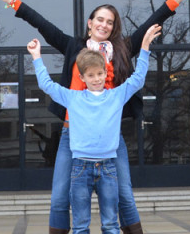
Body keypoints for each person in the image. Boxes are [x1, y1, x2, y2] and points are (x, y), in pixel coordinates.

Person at [0, 0, 190, 234]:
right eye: (99, 19)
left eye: (110, 22)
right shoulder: (72, 46)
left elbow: (148, 26)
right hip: (71, 136)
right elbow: (41, 23)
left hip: (110, 139)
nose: (104, 24)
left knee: (125, 196)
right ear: (90, 23)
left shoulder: (121, 49)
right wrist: (12, 1)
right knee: (59, 199)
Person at [26, 24, 161, 234]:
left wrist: (144, 46)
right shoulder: (73, 98)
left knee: (110, 224)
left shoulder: (116, 95)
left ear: (106, 72)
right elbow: (46, 85)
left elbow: (139, 78)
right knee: (80, 226)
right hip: (80, 168)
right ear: (82, 78)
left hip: (108, 168)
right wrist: (36, 57)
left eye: (100, 74)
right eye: (91, 75)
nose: (96, 79)